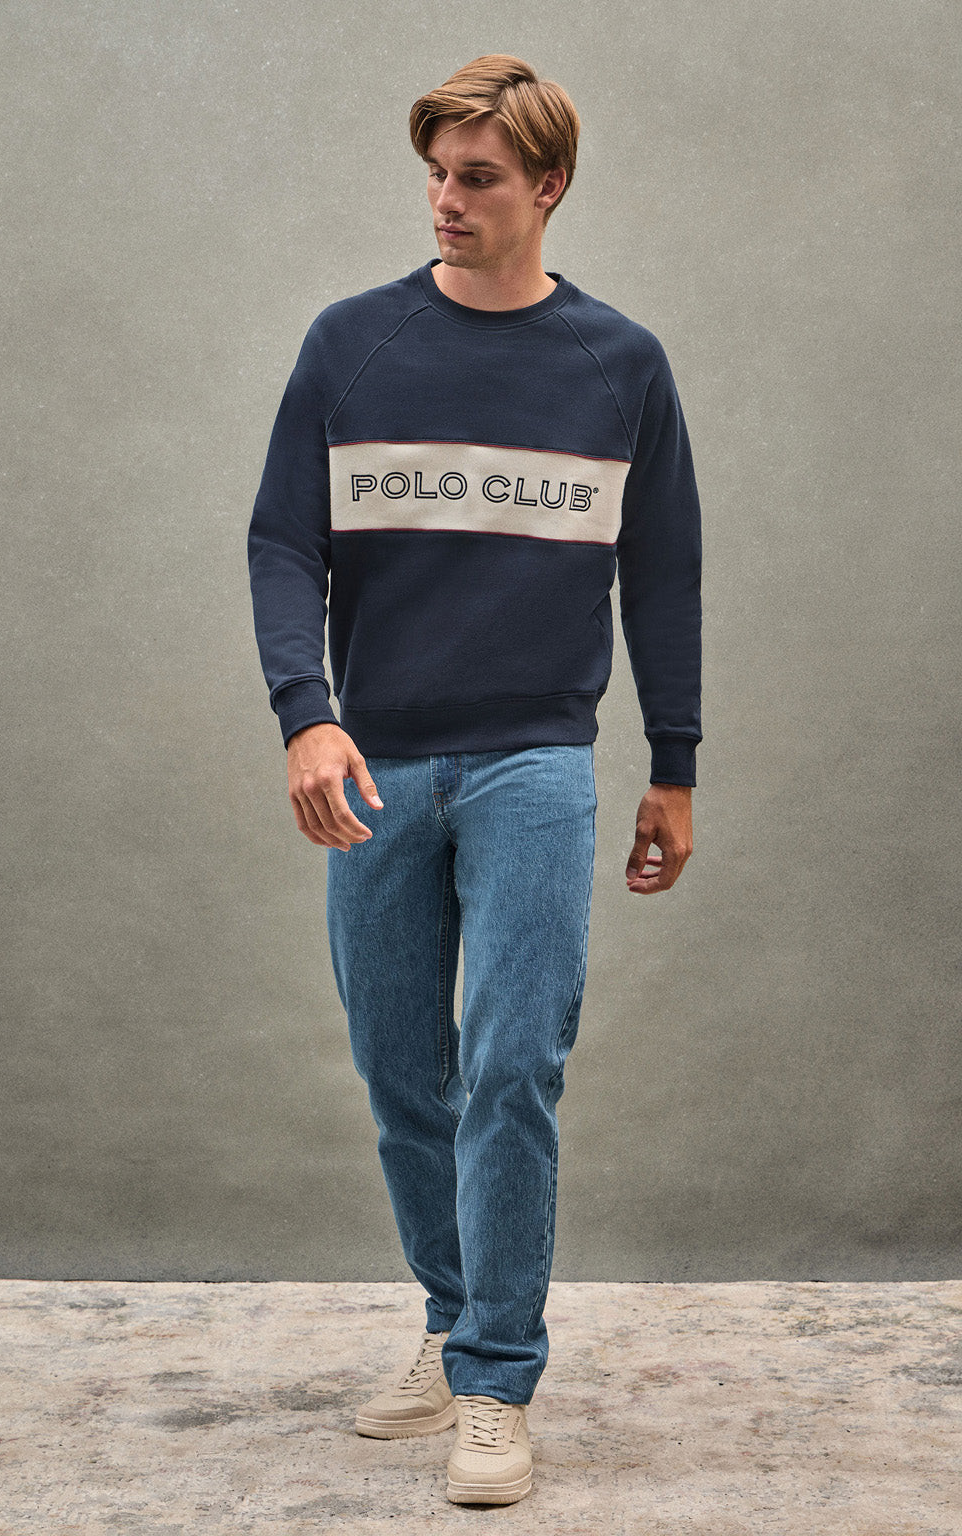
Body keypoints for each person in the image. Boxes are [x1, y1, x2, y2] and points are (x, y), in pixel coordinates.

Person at [247, 54, 701, 1506]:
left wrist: (674, 764)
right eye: (436, 174)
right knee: (401, 1072)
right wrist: (306, 717)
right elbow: (283, 542)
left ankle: (498, 1380)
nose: (447, 200)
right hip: (376, 763)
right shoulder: (351, 344)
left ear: (547, 186)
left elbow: (663, 575)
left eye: (480, 177)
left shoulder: (619, 365)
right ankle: (452, 1327)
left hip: (535, 766)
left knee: (512, 1064)